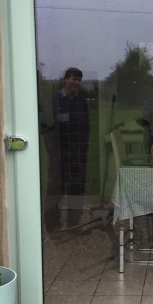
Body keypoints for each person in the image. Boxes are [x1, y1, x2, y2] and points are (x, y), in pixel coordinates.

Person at [41, 67, 90, 234]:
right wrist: (53, 153)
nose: (77, 82)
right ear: (65, 80)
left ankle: (73, 226)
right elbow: (46, 129)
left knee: (76, 191)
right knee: (55, 192)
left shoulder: (82, 101)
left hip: (77, 155)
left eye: (79, 80)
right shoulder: (53, 101)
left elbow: (87, 128)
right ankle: (53, 228)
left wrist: (83, 151)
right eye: (74, 79)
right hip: (58, 155)